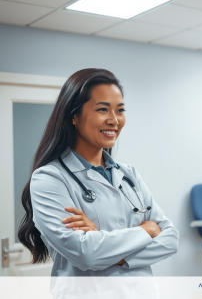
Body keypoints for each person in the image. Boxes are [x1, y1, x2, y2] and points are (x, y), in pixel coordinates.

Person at [18, 68, 179, 277]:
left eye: (120, 110)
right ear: (74, 115)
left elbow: (170, 239)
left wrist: (116, 255)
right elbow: (86, 254)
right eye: (103, 109)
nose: (114, 120)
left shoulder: (129, 174)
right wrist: (147, 230)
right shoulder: (49, 179)